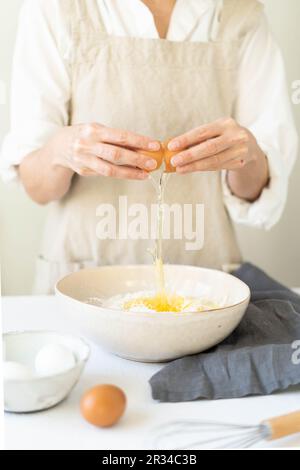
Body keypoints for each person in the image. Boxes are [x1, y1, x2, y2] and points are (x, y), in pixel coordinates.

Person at [0, 0, 298, 294]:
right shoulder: (55, 9)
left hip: (203, 289)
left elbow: (256, 192)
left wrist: (247, 154)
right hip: (80, 283)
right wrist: (61, 150)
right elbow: (38, 188)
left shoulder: (240, 15)